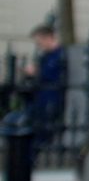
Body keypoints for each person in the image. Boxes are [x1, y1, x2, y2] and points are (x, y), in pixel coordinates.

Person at [25, 24, 65, 154]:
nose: (39, 45)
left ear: (48, 38)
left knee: (44, 132)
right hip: (41, 98)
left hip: (50, 98)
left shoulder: (59, 55)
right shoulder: (46, 56)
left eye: (40, 42)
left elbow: (53, 77)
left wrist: (36, 72)